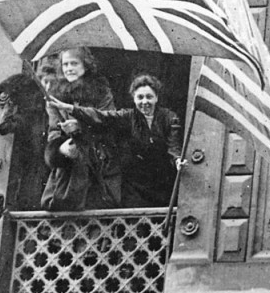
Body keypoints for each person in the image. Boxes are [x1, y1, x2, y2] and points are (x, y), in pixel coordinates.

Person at [49, 73, 185, 208]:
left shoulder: (169, 118)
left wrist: (177, 159)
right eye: (140, 97)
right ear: (134, 99)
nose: (145, 102)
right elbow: (101, 116)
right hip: (136, 185)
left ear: (156, 98)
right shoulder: (128, 116)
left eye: (149, 97)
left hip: (162, 180)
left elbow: (173, 145)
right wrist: (71, 109)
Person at [42, 47, 122, 211]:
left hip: (97, 163)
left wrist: (82, 127)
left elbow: (109, 122)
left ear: (85, 65)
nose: (69, 68)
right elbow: (54, 131)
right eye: (65, 65)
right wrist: (60, 149)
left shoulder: (101, 92)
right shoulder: (55, 96)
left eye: (74, 63)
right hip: (69, 167)